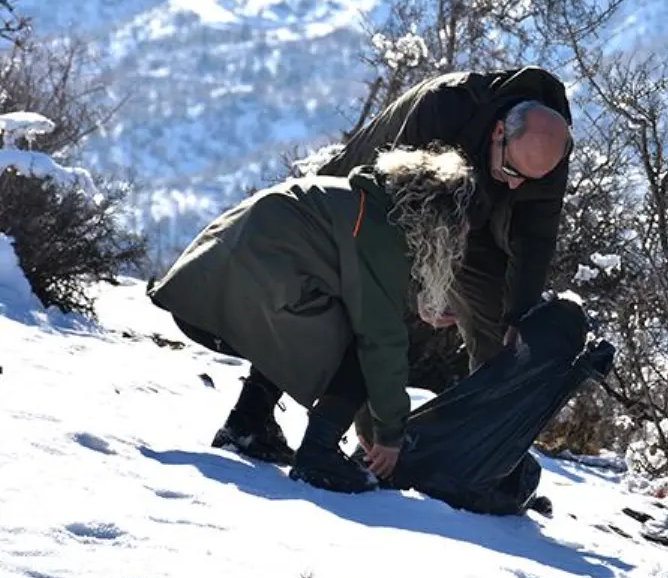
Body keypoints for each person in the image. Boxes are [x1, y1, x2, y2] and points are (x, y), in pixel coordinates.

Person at [146, 144, 477, 494]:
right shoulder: (378, 228)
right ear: (435, 215)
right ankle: (318, 453)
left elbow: (359, 286)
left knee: (313, 318)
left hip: (200, 293)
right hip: (228, 304)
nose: (463, 236)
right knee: (364, 342)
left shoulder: (358, 201)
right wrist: (389, 435)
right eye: (459, 225)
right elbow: (380, 338)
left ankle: (248, 422)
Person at [315, 66, 573, 372]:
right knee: (361, 315)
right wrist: (421, 288)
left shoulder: (547, 150)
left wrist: (518, 315)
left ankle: (488, 413)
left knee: (503, 336)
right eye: (513, 171)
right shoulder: (442, 108)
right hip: (362, 201)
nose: (517, 186)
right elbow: (391, 212)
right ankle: (258, 406)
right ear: (499, 132)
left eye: (529, 180)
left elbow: (535, 238)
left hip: (469, 216)